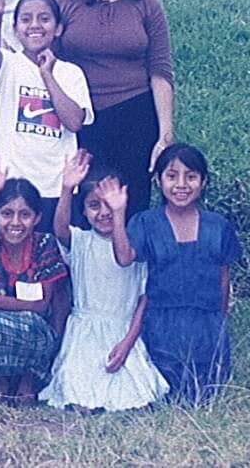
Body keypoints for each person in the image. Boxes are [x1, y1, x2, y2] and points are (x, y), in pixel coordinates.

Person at [102, 144, 242, 404]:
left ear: (203, 182)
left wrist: (220, 326)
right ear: (157, 180)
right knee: (162, 394)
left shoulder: (218, 226)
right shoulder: (146, 222)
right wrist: (118, 213)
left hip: (206, 329)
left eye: (191, 176)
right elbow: (124, 258)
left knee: (205, 395)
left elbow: (224, 279)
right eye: (171, 175)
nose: (181, 184)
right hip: (161, 328)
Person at [57, 0, 174, 215]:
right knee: (86, 206)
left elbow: (160, 72)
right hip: (82, 120)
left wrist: (164, 134)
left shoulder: (147, 5)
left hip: (136, 116)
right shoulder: (62, 4)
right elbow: (45, 64)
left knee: (131, 205)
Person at [39, 155, 168, 411]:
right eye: (94, 205)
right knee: (78, 392)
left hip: (123, 330)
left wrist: (128, 341)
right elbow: (60, 228)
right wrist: (66, 189)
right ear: (84, 212)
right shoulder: (81, 241)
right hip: (84, 332)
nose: (104, 212)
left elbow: (143, 297)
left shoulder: (135, 247)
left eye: (110, 205)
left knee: (131, 393)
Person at [0, 0, 93, 228]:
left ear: (58, 29)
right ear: (15, 29)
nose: (35, 25)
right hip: (11, 183)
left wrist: (47, 76)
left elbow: (74, 122)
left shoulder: (71, 73)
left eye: (44, 19)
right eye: (26, 19)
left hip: (55, 186)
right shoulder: (8, 64)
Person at [0, 158, 69, 405]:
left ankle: (26, 384)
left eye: (25, 215)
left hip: (38, 338)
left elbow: (42, 305)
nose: (15, 223)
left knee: (29, 323)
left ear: (36, 217)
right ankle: (0, 386)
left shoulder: (45, 245)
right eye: (6, 214)